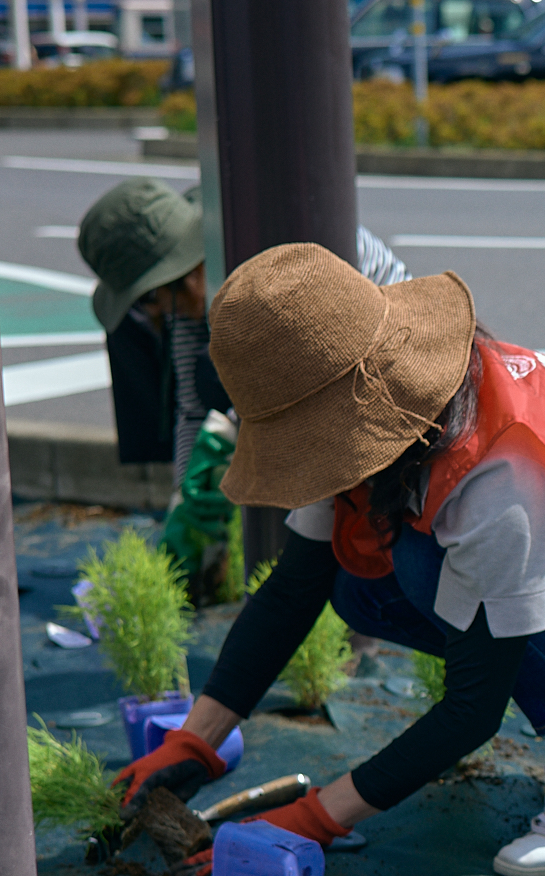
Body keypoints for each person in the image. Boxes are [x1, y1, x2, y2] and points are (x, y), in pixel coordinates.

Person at [107, 242, 545, 876]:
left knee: (425, 565)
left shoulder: (495, 473)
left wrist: (316, 816)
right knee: (361, 585)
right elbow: (297, 584)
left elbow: (473, 708)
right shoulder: (410, 403)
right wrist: (196, 742)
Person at [75, 178, 409, 581]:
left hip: (379, 360)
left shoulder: (269, 255)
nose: (156, 312)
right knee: (206, 378)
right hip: (309, 367)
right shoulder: (190, 302)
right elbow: (192, 410)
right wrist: (185, 499)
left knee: (340, 558)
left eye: (151, 298)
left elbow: (306, 376)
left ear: (185, 276)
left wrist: (232, 427)